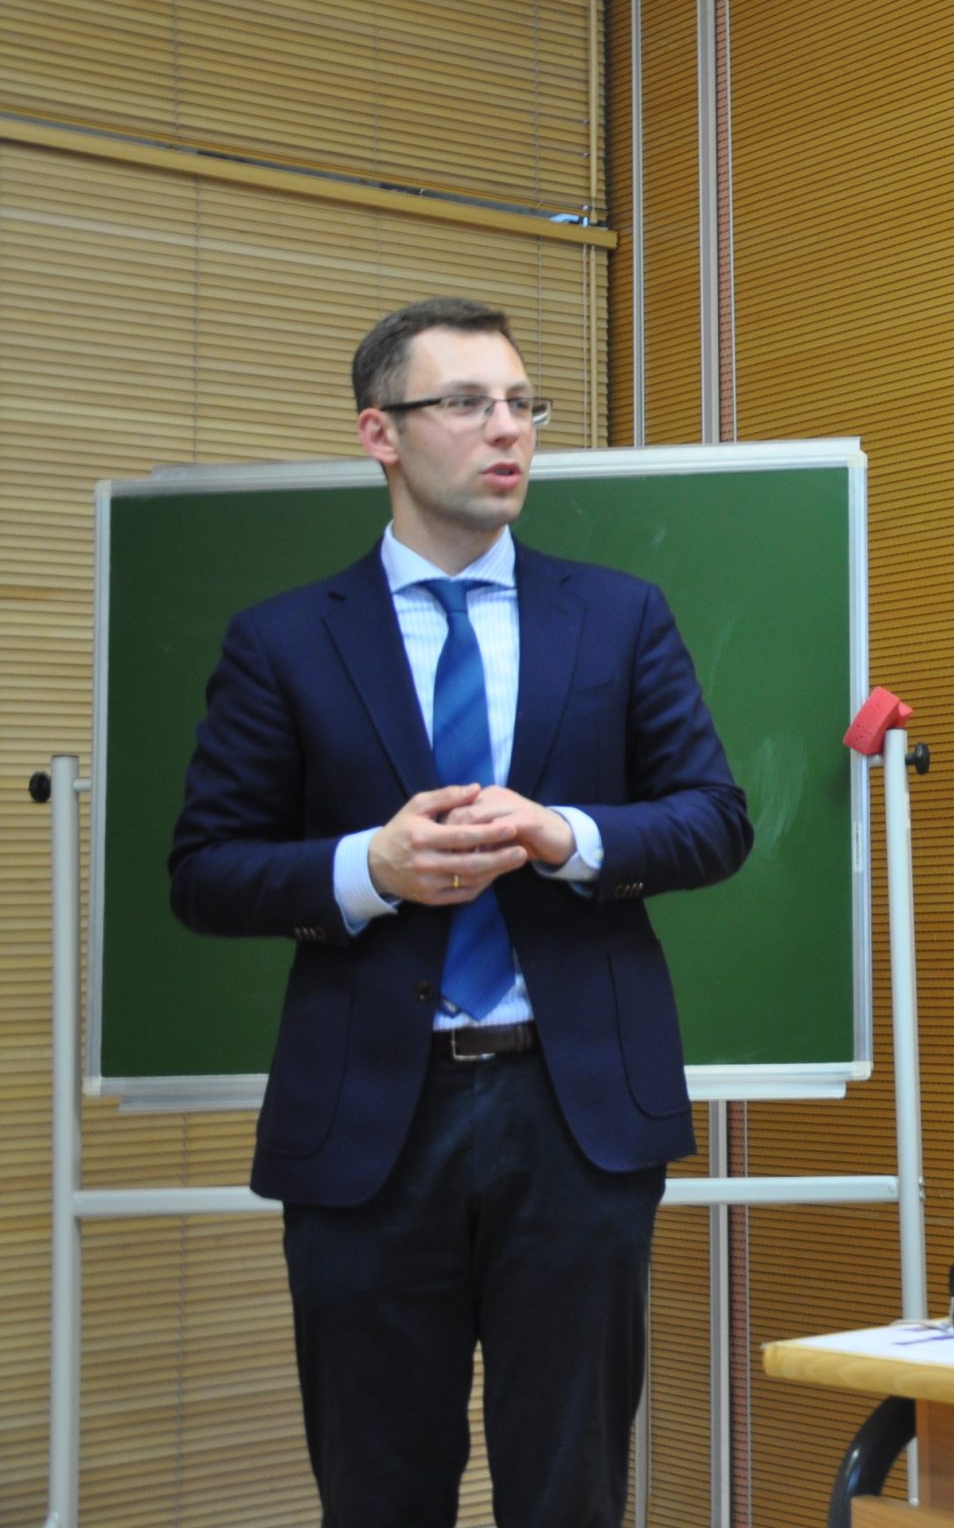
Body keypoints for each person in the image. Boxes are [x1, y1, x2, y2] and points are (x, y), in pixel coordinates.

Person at [169, 297, 754, 1527]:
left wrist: (567, 835)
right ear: (379, 432)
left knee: (570, 1492)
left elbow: (714, 819)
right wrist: (368, 867)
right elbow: (206, 870)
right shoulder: (284, 640)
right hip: (368, 1122)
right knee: (379, 1493)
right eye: (469, 403)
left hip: (573, 1114)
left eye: (523, 403)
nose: (510, 430)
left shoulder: (619, 615)